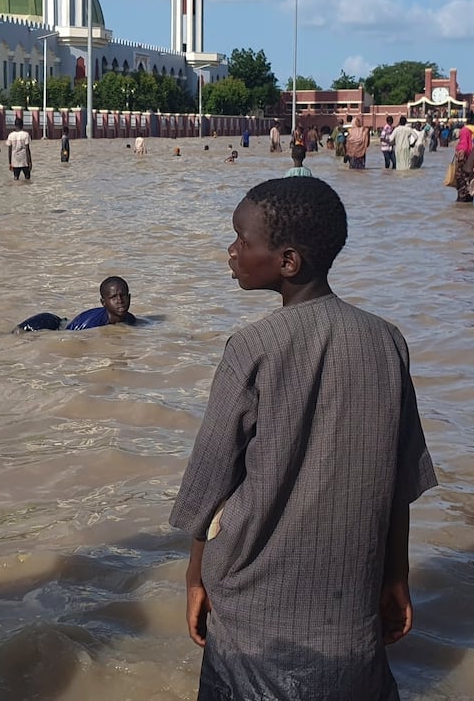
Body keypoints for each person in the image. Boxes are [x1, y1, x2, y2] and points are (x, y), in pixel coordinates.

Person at [172, 176, 437, 700]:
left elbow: (210, 484)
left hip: (251, 602)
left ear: (287, 261)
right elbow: (398, 480)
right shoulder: (387, 341)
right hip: (348, 602)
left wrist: (194, 578)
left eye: (243, 241)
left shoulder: (252, 348)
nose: (232, 251)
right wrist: (395, 575)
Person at [16, 276, 138, 332]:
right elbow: (71, 338)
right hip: (47, 324)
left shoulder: (129, 319)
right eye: (113, 297)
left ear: (130, 297)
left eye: (123, 295)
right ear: (103, 303)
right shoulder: (92, 324)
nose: (120, 300)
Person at [451, 112, 474, 202]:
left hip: (461, 155)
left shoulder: (463, 130)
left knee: (460, 178)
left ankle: (461, 198)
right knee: (469, 178)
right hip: (470, 157)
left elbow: (462, 143)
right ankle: (469, 198)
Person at [6, 117, 33, 182]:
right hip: (24, 160)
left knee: (16, 178)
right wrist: (29, 162)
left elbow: (9, 150)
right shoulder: (26, 134)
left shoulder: (11, 135)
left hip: (15, 160)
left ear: (15, 125)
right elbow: (27, 149)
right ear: (22, 125)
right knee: (27, 178)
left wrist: (10, 163)